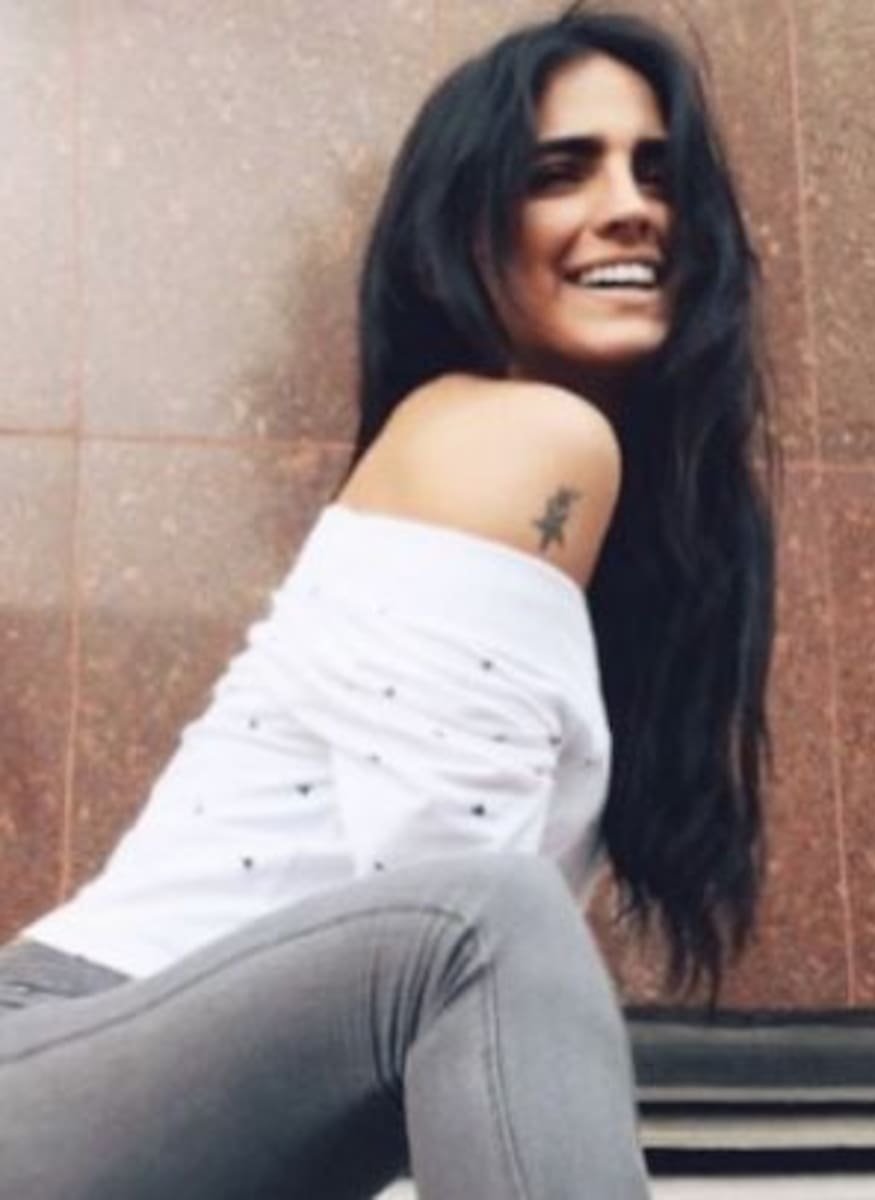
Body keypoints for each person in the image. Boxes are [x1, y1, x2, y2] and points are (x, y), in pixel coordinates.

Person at [0, 5, 778, 1197]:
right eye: (560, 171)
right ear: (467, 231)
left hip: (181, 1126)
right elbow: (446, 902)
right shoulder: (522, 434)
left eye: (660, 173)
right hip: (55, 1073)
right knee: (491, 921)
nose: (632, 206)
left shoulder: (587, 511)